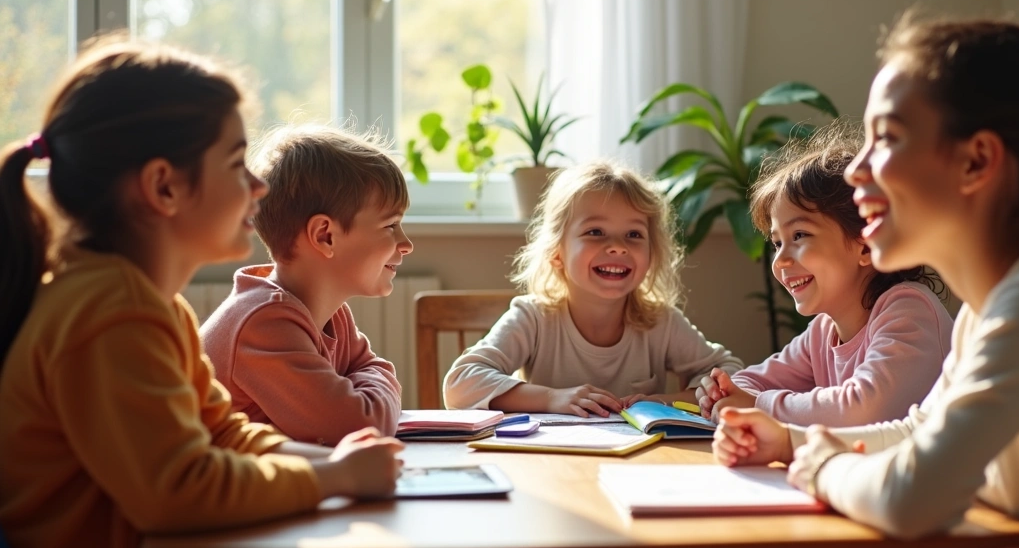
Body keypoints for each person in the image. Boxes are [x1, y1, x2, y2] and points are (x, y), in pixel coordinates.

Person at [714, 15, 1019, 548]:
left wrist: (823, 468)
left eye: (886, 138)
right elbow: (920, 432)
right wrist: (792, 441)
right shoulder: (998, 303)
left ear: (977, 161)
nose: (858, 169)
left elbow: (912, 498)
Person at [0, 39, 402, 548]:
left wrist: (338, 461)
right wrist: (336, 479)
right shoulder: (111, 311)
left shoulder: (153, 303)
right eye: (237, 164)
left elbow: (222, 434)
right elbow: (177, 492)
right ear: (164, 187)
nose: (258, 186)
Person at [696, 126, 951, 426]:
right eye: (778, 243)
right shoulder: (823, 332)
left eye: (800, 234)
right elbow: (749, 383)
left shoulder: (909, 310)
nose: (780, 259)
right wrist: (722, 393)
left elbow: (864, 408)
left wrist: (758, 405)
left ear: (866, 246)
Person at [444, 161, 743, 416]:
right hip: (552, 466)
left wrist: (663, 403)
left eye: (634, 234)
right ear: (557, 252)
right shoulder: (533, 318)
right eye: (595, 232)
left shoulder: (661, 322)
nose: (617, 247)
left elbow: (731, 375)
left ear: (652, 255)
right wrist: (552, 398)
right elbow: (460, 383)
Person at [202, 125, 409, 445]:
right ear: (325, 236)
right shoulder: (264, 323)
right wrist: (374, 385)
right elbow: (361, 427)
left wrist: (366, 384)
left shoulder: (332, 315)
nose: (406, 244)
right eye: (391, 225)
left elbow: (369, 370)